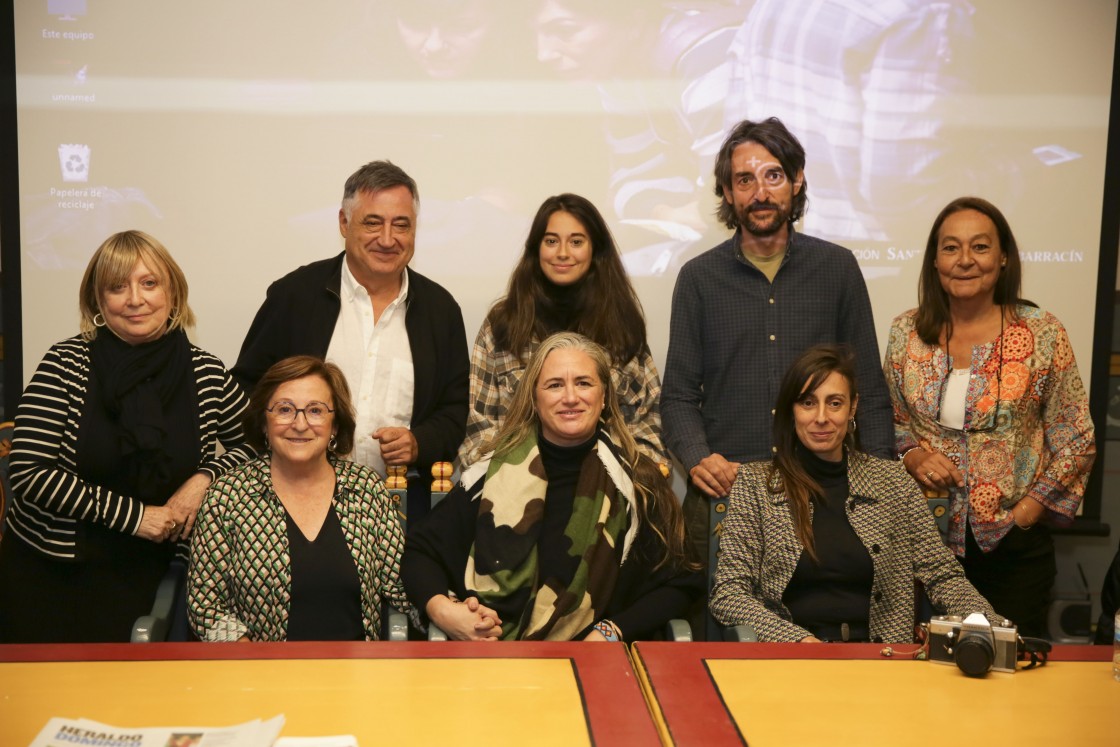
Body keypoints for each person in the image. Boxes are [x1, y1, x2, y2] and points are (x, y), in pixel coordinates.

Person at [660, 117, 894, 573]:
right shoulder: (698, 279)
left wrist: (880, 486)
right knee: (719, 634)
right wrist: (697, 459)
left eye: (773, 176)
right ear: (727, 192)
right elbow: (678, 397)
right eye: (744, 180)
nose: (760, 193)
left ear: (797, 180)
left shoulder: (837, 269)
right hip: (727, 496)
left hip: (824, 496)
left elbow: (870, 389)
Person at [0, 230, 253, 643]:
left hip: (154, 574)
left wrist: (204, 478)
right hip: (54, 576)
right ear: (99, 301)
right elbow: (29, 472)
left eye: (149, 283)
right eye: (117, 287)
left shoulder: (204, 370)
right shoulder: (65, 363)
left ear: (173, 291)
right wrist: (136, 518)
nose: (135, 299)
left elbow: (259, 443)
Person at [884, 196, 1095, 638]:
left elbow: (1076, 437)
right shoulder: (907, 333)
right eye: (950, 248)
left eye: (979, 247)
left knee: (1009, 680)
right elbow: (890, 421)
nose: (965, 261)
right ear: (934, 262)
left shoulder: (1042, 333)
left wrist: (1026, 513)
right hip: (923, 543)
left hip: (1012, 548)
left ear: (1002, 259)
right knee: (923, 681)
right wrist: (912, 458)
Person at [405, 332, 702, 641]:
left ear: (604, 398)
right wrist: (446, 611)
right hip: (489, 661)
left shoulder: (637, 483)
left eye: (584, 383)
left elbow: (684, 580)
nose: (570, 397)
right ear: (535, 399)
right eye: (555, 385)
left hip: (596, 670)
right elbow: (419, 552)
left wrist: (612, 631)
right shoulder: (489, 474)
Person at [710, 345, 1002, 643]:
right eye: (808, 403)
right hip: (793, 663)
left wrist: (993, 626)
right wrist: (798, 641)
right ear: (791, 410)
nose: (821, 417)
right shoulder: (755, 484)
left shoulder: (892, 482)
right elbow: (729, 594)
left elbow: (943, 576)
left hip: (881, 663)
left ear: (852, 408)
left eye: (834, 403)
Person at [232, 160, 469, 524]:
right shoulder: (293, 296)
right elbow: (247, 390)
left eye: (401, 225)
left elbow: (454, 411)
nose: (388, 239)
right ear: (344, 223)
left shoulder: (441, 311)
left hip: (402, 509)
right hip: (294, 507)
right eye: (373, 222)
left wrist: (419, 442)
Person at [188, 356, 414, 642]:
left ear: (335, 425)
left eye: (315, 411)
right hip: (261, 676)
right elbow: (205, 606)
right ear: (263, 423)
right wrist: (248, 659)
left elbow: (401, 586)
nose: (300, 424)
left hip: (357, 676)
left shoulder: (367, 488)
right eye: (284, 410)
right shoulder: (227, 496)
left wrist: (451, 609)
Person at [458, 193, 665, 469]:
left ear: (595, 250)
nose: (563, 252)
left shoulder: (621, 324)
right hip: (516, 494)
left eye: (576, 242)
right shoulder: (503, 324)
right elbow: (478, 429)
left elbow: (648, 427)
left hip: (609, 495)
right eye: (551, 241)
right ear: (536, 248)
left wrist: (616, 481)